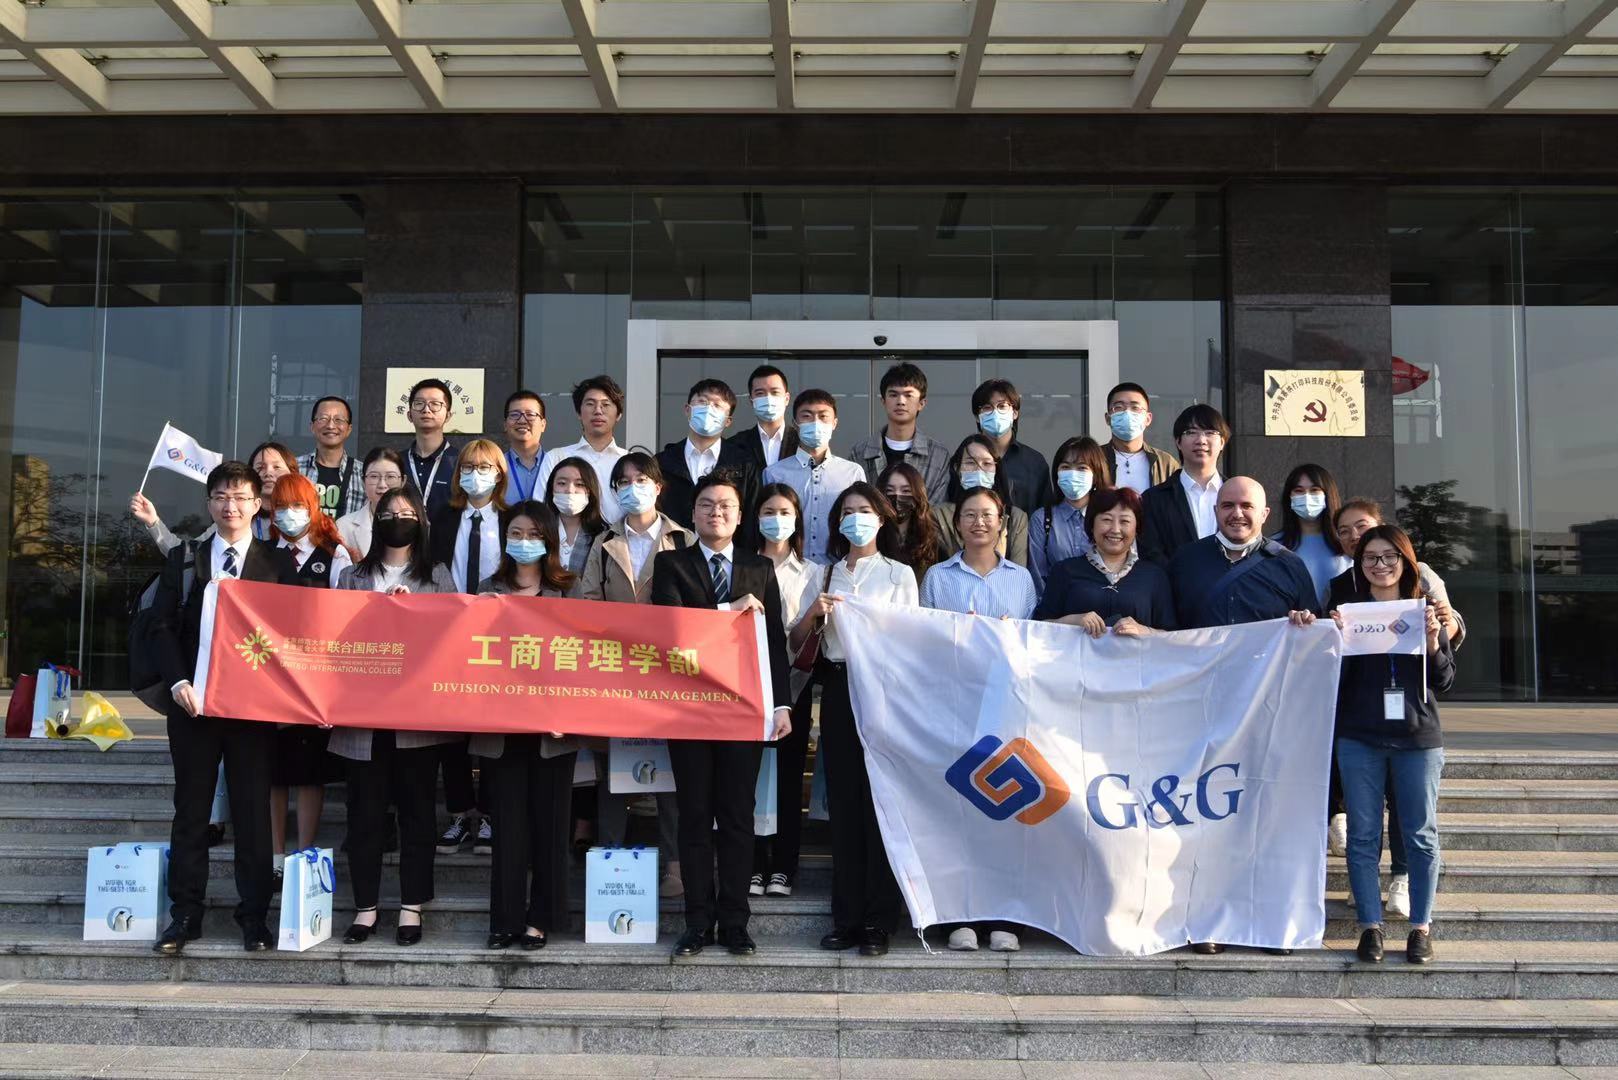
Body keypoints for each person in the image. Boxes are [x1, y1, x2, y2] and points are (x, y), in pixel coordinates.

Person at [1165, 476, 1320, 958]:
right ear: (1215, 510)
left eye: (1247, 506)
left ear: (1265, 513)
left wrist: (1305, 625)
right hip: (1201, 711)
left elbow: (1314, 637)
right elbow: (1167, 632)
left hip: (1266, 714)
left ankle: (1270, 923)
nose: (1237, 513)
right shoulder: (1187, 562)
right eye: (1227, 505)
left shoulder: (1289, 567)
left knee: (1266, 816)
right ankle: (1206, 918)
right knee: (1206, 817)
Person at [150, 461, 299, 956]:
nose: (230, 506)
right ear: (209, 503)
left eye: (240, 497)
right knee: (191, 812)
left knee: (253, 814)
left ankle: (254, 917)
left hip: (251, 713)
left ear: (257, 505)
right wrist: (178, 681)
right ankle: (184, 915)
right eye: (220, 496)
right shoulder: (185, 559)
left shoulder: (278, 563)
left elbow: (297, 634)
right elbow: (161, 626)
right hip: (193, 705)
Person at [653, 471, 794, 958]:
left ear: (739, 516)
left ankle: (735, 922)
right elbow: (672, 628)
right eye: (707, 505)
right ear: (692, 514)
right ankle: (697, 922)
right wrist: (727, 609)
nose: (716, 513)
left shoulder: (759, 567)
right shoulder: (671, 563)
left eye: (726, 506)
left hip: (742, 709)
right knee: (694, 818)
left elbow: (772, 641)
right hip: (688, 711)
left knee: (737, 818)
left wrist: (780, 704)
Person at [790, 482, 918, 957]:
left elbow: (911, 640)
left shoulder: (899, 574)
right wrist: (814, 613)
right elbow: (797, 640)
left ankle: (879, 920)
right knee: (844, 805)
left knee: (879, 803)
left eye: (865, 510)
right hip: (841, 686)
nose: (856, 518)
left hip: (884, 689)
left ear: (881, 518)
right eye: (847, 511)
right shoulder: (824, 574)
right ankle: (845, 918)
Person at [332, 485, 459, 947]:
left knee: (418, 816)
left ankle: (411, 906)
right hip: (362, 721)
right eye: (389, 513)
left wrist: (413, 613)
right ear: (376, 520)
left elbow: (453, 638)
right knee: (364, 818)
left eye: (407, 513)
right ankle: (365, 908)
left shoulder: (437, 575)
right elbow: (335, 640)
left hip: (416, 721)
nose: (398, 520)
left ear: (421, 522)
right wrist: (377, 614)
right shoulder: (351, 577)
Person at [1328, 497, 1466, 912]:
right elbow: (1334, 680)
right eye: (1370, 557)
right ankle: (1370, 921)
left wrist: (1433, 640)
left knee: (1419, 831)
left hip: (1416, 735)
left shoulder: (1424, 608)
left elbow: (1444, 680)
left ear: (1406, 561)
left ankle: (1418, 916)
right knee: (1363, 832)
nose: (1380, 564)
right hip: (1361, 734)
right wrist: (1333, 641)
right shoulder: (1347, 606)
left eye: (1389, 556)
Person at [920, 486, 1036, 952]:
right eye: (970, 515)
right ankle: (960, 916)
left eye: (988, 514)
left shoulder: (1021, 580)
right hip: (955, 708)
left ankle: (1004, 916)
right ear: (957, 524)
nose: (979, 523)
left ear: (1002, 522)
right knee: (958, 814)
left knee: (1006, 816)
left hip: (1007, 709)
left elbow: (1033, 643)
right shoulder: (937, 577)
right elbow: (924, 641)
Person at [577, 451, 690, 898]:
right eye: (622, 481)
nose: (632, 487)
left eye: (640, 479)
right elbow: (587, 603)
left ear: (658, 486)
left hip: (671, 675)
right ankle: (611, 863)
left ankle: (675, 866)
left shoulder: (682, 539)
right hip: (618, 673)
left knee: (670, 775)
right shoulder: (604, 542)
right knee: (614, 774)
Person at [469, 500, 577, 950]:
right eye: (516, 534)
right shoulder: (487, 590)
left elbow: (583, 660)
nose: (525, 542)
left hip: (553, 730)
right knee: (508, 829)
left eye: (534, 535)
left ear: (549, 540)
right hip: (502, 729)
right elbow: (469, 655)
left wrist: (569, 714)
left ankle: (541, 919)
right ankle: (505, 919)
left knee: (550, 827)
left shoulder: (568, 590)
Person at [266, 472, 351, 880]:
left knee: (309, 770)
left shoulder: (334, 555)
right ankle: (274, 856)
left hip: (316, 679)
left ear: (314, 508)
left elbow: (344, 615)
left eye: (297, 506)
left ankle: (303, 854)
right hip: (268, 678)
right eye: (281, 507)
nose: (289, 514)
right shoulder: (262, 554)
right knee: (273, 772)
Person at [429, 437, 510, 858]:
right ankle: (460, 814)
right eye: (467, 467)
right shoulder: (444, 517)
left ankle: (492, 815)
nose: (475, 475)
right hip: (449, 633)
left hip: (498, 637)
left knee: (492, 728)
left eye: (484, 467)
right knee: (452, 731)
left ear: (499, 474)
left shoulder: (513, 519)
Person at [749, 483, 818, 899]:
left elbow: (804, 637)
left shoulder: (813, 572)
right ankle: (754, 864)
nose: (777, 520)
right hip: (746, 688)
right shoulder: (742, 565)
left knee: (789, 779)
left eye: (785, 512)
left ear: (797, 519)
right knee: (750, 780)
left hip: (793, 686)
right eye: (768, 511)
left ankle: (784, 867)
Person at [1033, 486, 1176, 633]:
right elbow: (1037, 628)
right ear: (1091, 525)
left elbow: (1172, 636)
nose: (1115, 529)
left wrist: (1144, 631)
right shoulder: (1064, 571)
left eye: (1124, 521)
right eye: (1107, 520)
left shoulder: (1154, 576)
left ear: (1137, 528)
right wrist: (1073, 621)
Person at [763, 389, 865, 564]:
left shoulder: (852, 473)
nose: (816, 423)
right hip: (789, 568)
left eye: (823, 416)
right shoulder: (774, 473)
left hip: (838, 568)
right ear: (795, 424)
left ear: (834, 423)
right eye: (807, 416)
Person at [655, 377, 759, 534]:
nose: (709, 409)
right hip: (673, 547)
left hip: (727, 548)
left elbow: (750, 521)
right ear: (687, 410)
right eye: (702, 402)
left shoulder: (744, 464)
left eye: (717, 405)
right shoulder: (662, 462)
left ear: (728, 421)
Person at [1140, 404, 1229, 565]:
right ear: (1178, 442)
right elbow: (1151, 553)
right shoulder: (1154, 499)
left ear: (1222, 442)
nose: (1201, 440)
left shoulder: (1238, 495)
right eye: (1191, 432)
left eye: (1210, 433)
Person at [851, 362, 951, 505]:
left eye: (908, 395)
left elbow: (938, 508)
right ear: (883, 401)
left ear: (921, 403)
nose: (901, 401)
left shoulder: (938, 455)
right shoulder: (860, 453)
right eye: (893, 395)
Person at [536, 375, 630, 525]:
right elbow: (540, 510)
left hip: (619, 539)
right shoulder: (557, 457)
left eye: (606, 404)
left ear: (618, 414)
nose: (598, 411)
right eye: (590, 404)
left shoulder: (629, 462)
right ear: (579, 413)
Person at [1029, 436, 1112, 598]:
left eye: (1082, 468)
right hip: (1057, 608)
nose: (1073, 474)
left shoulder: (1110, 517)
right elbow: (1037, 576)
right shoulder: (1042, 519)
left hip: (1102, 606)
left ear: (1096, 474)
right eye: (1065, 467)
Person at [931, 435, 1030, 567]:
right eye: (970, 463)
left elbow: (1019, 574)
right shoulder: (938, 515)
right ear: (956, 468)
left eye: (987, 464)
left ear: (997, 469)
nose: (978, 470)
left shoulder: (1016, 518)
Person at [1275, 463, 1352, 610]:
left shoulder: (1346, 543)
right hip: (1295, 623)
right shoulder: (1274, 546)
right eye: (1299, 490)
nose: (1306, 496)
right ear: (1289, 497)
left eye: (1315, 490)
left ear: (1328, 494)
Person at [970, 378, 1050, 514]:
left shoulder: (1034, 462)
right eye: (987, 408)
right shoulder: (966, 460)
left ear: (1015, 413)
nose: (995, 413)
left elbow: (1045, 515)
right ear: (977, 416)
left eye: (1002, 406)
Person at [297, 395, 366, 519]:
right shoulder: (294, 469)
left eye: (338, 419)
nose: (330, 425)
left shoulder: (363, 474)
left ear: (349, 429)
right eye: (323, 418)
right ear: (312, 426)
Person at [546, 454, 608, 592]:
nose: (570, 490)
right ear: (551, 489)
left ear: (590, 490)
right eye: (562, 483)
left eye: (579, 484)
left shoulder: (604, 535)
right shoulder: (539, 530)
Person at [1100, 382, 1176, 494]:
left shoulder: (1165, 463)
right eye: (1119, 407)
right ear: (1108, 419)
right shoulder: (1094, 458)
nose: (1127, 413)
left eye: (1135, 407)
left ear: (1148, 419)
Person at [402, 377, 460, 519]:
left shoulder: (461, 461)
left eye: (435, 404)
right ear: (409, 415)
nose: (426, 409)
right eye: (419, 403)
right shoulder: (396, 462)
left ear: (448, 415)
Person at [878, 462, 947, 582]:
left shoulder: (932, 545)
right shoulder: (872, 540)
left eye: (906, 491)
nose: (897, 497)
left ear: (918, 496)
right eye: (890, 491)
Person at [337, 447, 406, 559]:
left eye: (390, 477)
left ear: (403, 481)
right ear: (363, 482)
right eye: (374, 476)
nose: (382, 485)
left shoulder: (415, 523)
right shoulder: (343, 527)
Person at [727, 364, 798, 472]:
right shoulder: (735, 445)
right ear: (751, 401)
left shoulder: (802, 443)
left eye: (775, 392)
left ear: (787, 399)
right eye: (760, 393)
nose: (768, 398)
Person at [501, 389, 548, 505]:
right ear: (505, 425)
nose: (522, 420)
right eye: (514, 415)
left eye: (530, 414)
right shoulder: (496, 467)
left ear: (543, 425)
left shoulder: (555, 466)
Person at [247, 441, 298, 541]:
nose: (268, 473)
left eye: (277, 467)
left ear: (292, 473)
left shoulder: (302, 519)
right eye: (260, 467)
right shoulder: (240, 517)